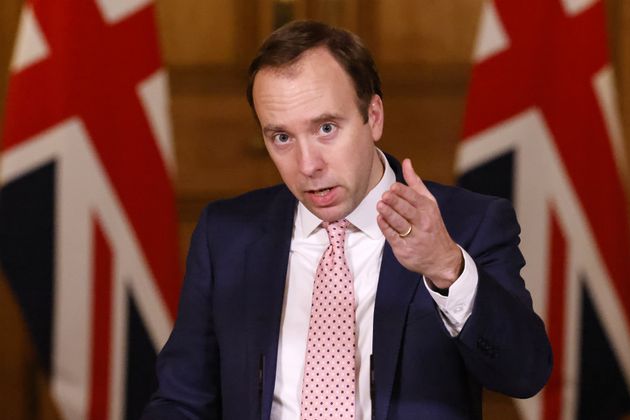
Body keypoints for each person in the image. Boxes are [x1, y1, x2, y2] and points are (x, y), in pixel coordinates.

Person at [142, 20, 552, 420]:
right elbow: (182, 400)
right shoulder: (227, 235)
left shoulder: (467, 223)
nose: (307, 165)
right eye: (281, 137)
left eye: (325, 128)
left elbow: (525, 374)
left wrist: (446, 266)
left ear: (373, 117)